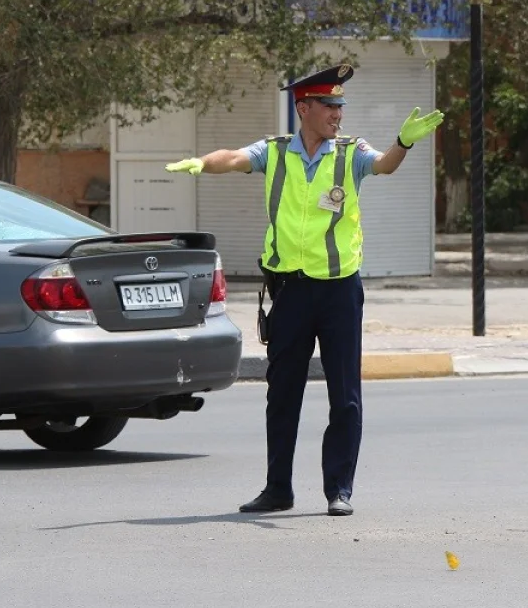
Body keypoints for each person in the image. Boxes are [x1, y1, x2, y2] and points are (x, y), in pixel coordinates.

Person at [165, 64, 443, 516]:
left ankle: (339, 489)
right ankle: (278, 488)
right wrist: (202, 162)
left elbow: (385, 165)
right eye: (330, 105)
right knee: (283, 393)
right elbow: (232, 157)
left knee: (344, 394)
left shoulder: (350, 154)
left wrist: (404, 142)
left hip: (338, 292)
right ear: (304, 108)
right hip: (290, 291)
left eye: (341, 105)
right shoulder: (274, 152)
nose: (338, 113)